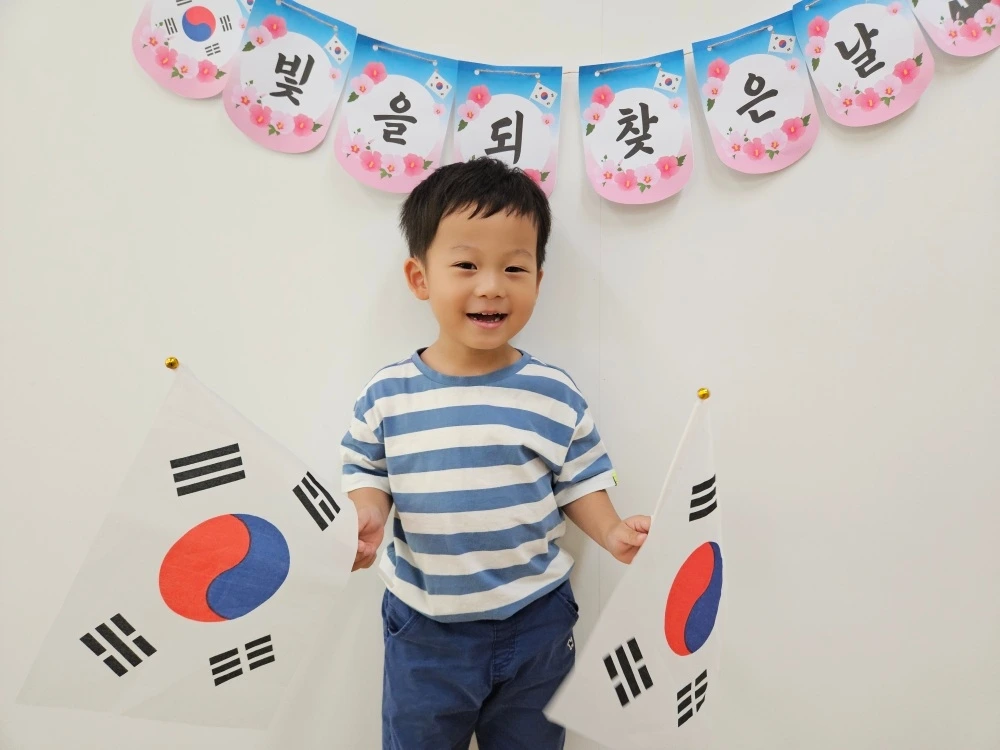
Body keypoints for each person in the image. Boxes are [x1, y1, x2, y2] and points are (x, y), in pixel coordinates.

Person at [339, 157, 651, 749]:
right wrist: (367, 515)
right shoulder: (387, 394)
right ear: (419, 277)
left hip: (536, 621)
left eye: (514, 267)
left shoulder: (553, 393)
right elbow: (365, 469)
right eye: (466, 265)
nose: (491, 286)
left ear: (538, 279)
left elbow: (580, 480)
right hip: (425, 628)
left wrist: (612, 532)